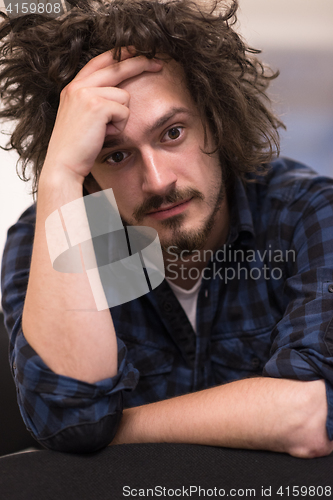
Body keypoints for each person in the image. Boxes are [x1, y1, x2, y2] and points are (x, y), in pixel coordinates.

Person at [1, 0, 333, 457]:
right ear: (90, 173)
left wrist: (111, 428)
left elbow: (310, 415)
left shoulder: (308, 213)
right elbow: (67, 416)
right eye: (116, 155)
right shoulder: (54, 233)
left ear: (216, 121)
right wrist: (57, 175)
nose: (158, 181)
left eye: (172, 133)